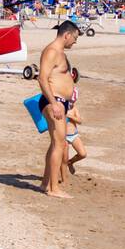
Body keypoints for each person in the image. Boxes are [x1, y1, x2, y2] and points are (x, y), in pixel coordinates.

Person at [38, 20, 80, 197]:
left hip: (60, 101)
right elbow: (42, 78)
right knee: (59, 144)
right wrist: (54, 103)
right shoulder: (52, 51)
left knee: (56, 144)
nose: (75, 42)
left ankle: (45, 183)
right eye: (75, 38)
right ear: (67, 35)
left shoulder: (61, 53)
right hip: (53, 101)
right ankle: (54, 189)